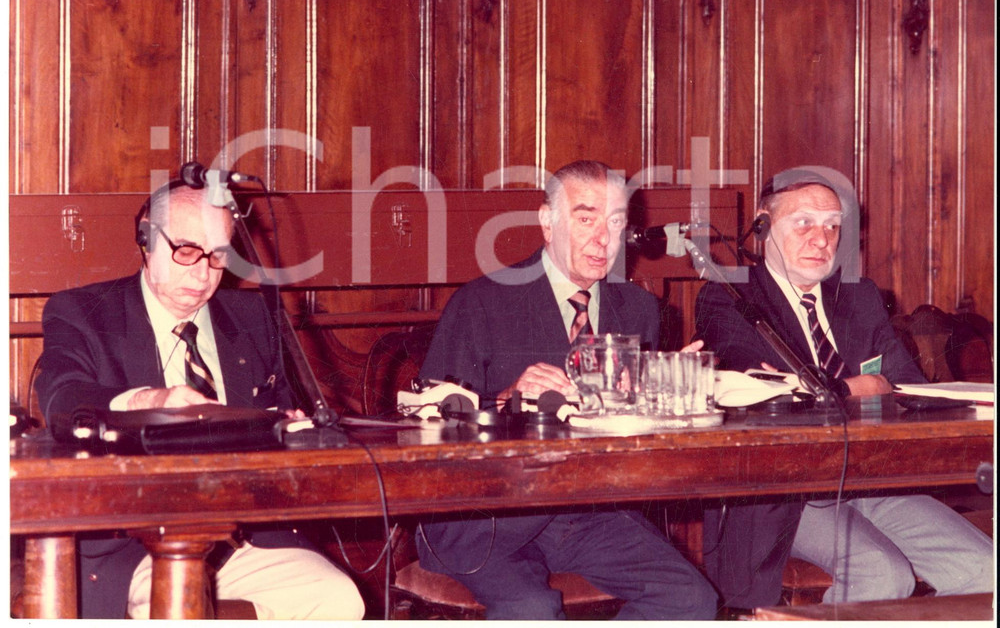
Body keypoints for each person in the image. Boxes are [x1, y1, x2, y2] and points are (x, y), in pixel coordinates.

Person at [35, 181, 365, 620]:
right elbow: (63, 397)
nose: (203, 273)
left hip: (243, 538)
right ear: (146, 239)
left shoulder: (254, 317)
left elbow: (280, 412)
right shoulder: (84, 311)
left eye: (217, 256)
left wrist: (290, 428)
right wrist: (150, 399)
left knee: (339, 598)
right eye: (186, 250)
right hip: (134, 545)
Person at [416, 160, 718, 620]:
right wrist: (505, 398)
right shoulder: (483, 301)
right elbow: (428, 422)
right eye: (585, 219)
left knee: (690, 598)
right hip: (486, 516)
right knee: (531, 607)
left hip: (587, 512)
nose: (604, 239)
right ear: (546, 222)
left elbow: (638, 442)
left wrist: (667, 394)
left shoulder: (637, 309)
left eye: (616, 222)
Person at [696, 167, 993, 606]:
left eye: (833, 225)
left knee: (984, 568)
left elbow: (906, 386)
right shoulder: (729, 298)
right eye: (804, 223)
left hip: (869, 478)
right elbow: (766, 397)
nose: (822, 239)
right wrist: (856, 388)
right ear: (763, 225)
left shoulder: (859, 295)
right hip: (786, 490)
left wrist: (871, 389)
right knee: (883, 574)